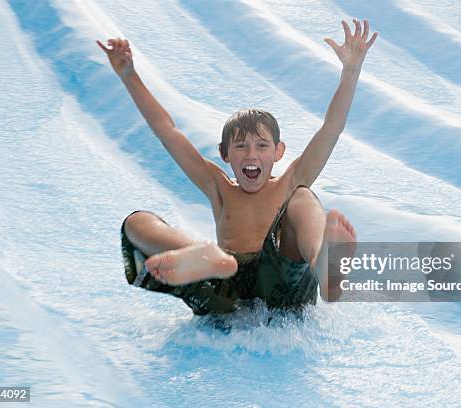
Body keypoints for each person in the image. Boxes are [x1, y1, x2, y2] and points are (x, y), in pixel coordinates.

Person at [97, 19, 377, 315]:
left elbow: (331, 128)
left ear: (279, 152)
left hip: (281, 284)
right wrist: (129, 75)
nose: (250, 155)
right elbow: (167, 130)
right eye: (240, 146)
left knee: (302, 197)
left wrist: (351, 71)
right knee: (136, 222)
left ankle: (326, 267)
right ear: (224, 154)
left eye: (261, 146)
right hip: (225, 284)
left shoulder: (290, 181)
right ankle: (199, 255)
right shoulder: (218, 186)